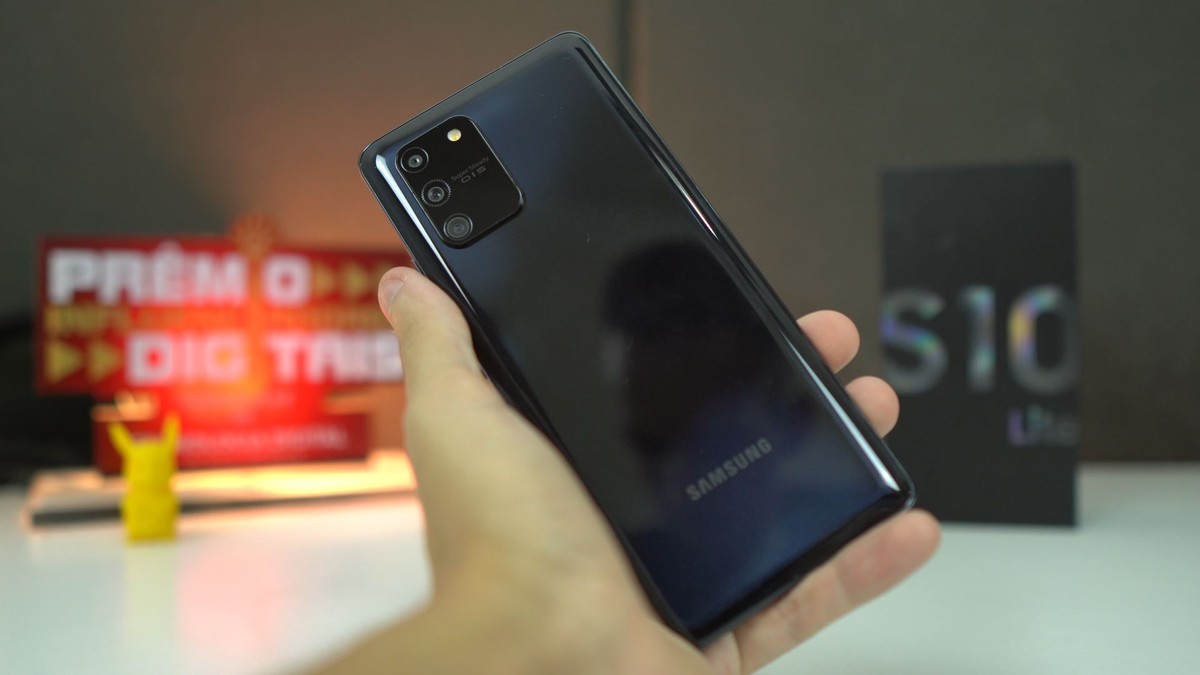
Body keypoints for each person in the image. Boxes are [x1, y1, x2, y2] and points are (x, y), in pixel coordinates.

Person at [314, 268, 940, 674]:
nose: (681, 480)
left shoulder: (846, 505)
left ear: (790, 418)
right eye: (650, 447)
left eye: (712, 433)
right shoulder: (626, 581)